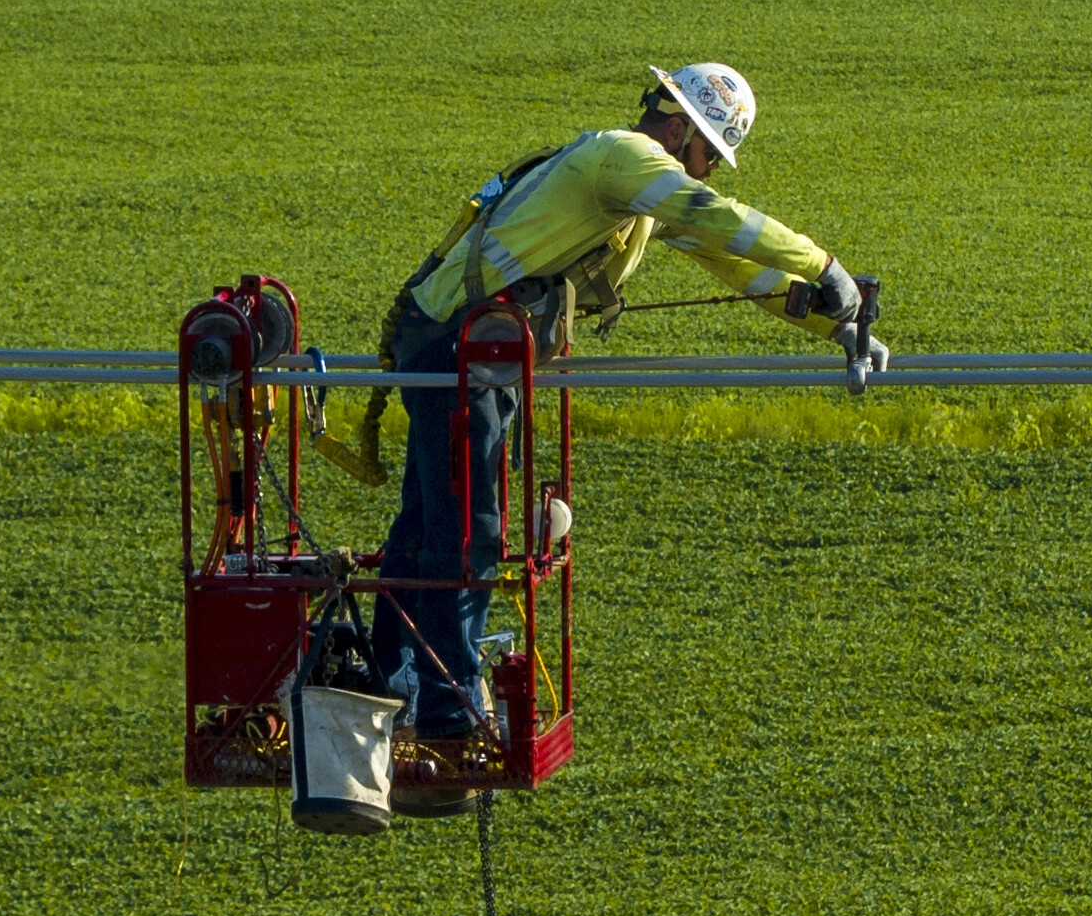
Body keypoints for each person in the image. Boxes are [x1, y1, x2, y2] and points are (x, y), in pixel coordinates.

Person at [374, 62, 881, 745]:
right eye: (708, 156)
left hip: (472, 351)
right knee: (468, 531)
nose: (708, 174)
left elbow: (733, 261)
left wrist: (839, 328)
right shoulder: (625, 159)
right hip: (455, 348)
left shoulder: (639, 192)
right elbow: (717, 218)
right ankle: (446, 704)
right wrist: (824, 265)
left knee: (432, 521)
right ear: (679, 129)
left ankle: (392, 678)